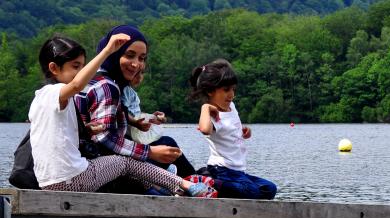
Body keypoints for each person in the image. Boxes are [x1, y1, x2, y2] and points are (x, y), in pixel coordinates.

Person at [29, 35, 215, 197]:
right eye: (76, 66)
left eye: (83, 66)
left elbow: (58, 133)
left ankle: (170, 188)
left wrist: (88, 129)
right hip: (71, 180)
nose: (82, 73)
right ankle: (185, 184)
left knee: (125, 167)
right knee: (125, 163)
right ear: (54, 68)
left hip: (48, 181)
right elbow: (77, 85)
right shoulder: (57, 92)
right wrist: (107, 51)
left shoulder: (39, 99)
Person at [77, 25, 197, 179]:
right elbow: (104, 138)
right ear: (113, 53)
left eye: (142, 58)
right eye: (129, 55)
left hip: (92, 161)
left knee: (167, 143)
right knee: (168, 145)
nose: (136, 64)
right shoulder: (107, 87)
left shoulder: (91, 78)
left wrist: (145, 121)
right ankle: (195, 182)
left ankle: (191, 180)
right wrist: (150, 152)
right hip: (104, 168)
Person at [190, 59, 278, 200]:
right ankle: (208, 181)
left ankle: (225, 186)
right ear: (210, 91)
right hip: (221, 170)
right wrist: (205, 107)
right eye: (226, 90)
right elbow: (205, 129)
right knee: (251, 192)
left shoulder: (231, 106)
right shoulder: (212, 115)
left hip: (238, 171)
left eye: (233, 89)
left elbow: (231, 127)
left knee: (270, 189)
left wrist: (244, 130)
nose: (231, 94)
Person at [122, 69, 166, 146]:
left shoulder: (131, 92)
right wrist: (135, 123)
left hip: (135, 133)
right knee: (168, 142)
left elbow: (134, 113)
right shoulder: (125, 90)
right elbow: (122, 112)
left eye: (142, 73)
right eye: (135, 73)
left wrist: (150, 117)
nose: (139, 77)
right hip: (131, 135)